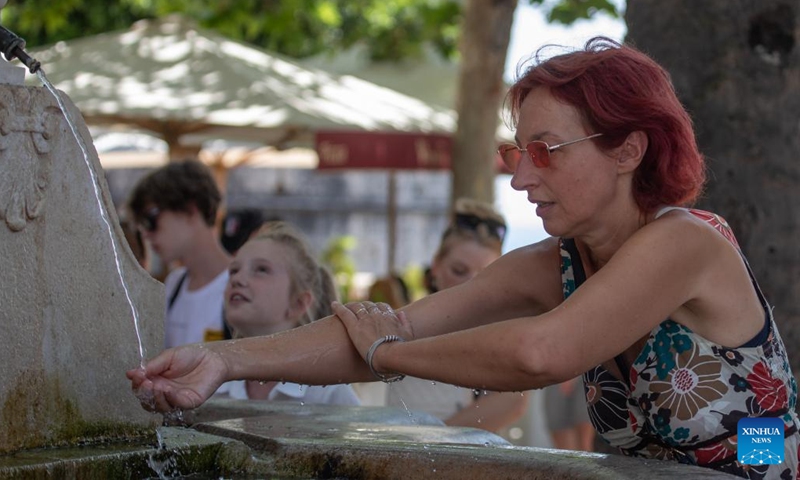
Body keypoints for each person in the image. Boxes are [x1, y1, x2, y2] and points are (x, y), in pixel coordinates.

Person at [128, 37, 798, 478]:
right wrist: (223, 361)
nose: (520, 178)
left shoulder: (686, 241)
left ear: (628, 149)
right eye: (516, 153)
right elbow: (397, 322)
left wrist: (387, 354)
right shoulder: (555, 263)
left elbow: (540, 353)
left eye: (545, 151)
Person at [384, 198, 527, 433]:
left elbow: (512, 402)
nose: (470, 285)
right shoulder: (402, 323)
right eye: (459, 271)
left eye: (484, 276)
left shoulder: (497, 331)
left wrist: (435, 442)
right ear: (436, 266)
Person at [214, 221, 359, 406]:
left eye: (261, 269)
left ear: (298, 303)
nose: (237, 279)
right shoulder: (216, 383)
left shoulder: (325, 389)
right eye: (234, 270)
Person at [128, 159, 231, 348]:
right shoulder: (174, 284)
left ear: (190, 211)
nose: (146, 233)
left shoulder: (240, 287)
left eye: (151, 219)